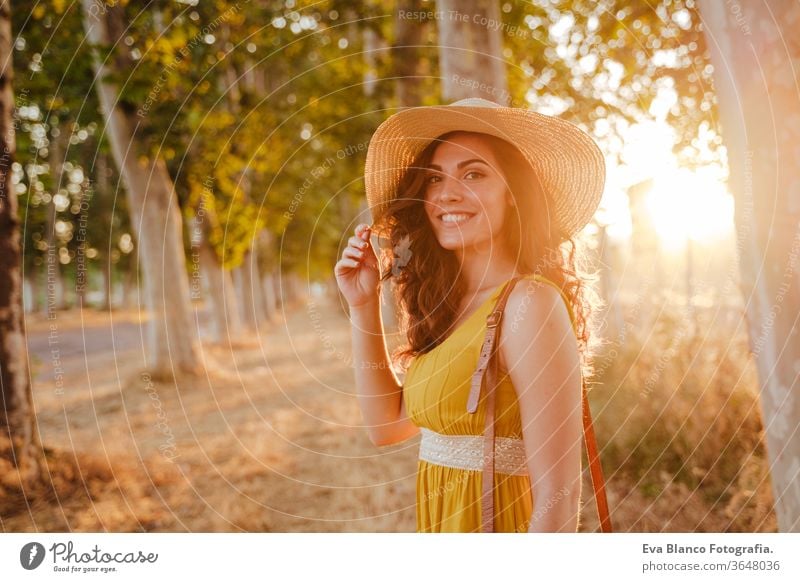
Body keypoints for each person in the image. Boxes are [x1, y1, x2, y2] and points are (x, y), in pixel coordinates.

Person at [334, 97, 605, 533]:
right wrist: (362, 304)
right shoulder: (445, 307)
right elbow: (385, 427)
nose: (446, 193)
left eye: (474, 174)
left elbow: (560, 497)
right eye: (434, 179)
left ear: (513, 195)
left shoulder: (529, 304)